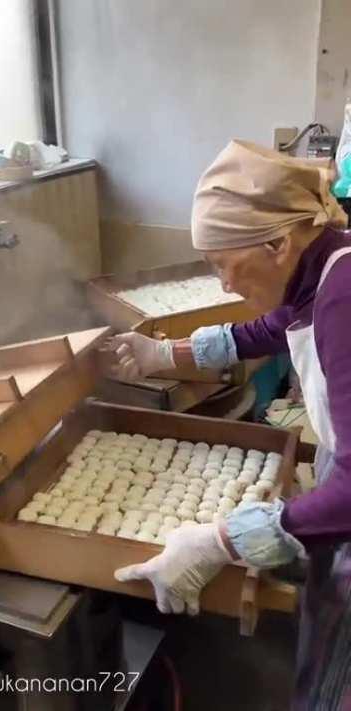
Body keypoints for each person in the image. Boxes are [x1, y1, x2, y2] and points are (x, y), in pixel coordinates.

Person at [108, 140, 351, 710]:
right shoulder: (324, 265)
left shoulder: (346, 296)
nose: (222, 284)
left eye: (223, 263)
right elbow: (272, 328)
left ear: (277, 243)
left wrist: (221, 540)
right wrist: (167, 355)